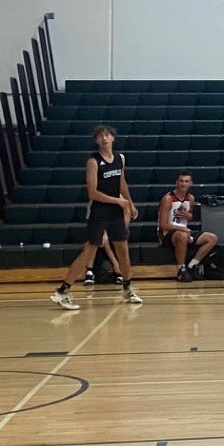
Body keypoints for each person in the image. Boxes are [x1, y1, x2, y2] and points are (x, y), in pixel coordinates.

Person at [51, 124, 143, 310]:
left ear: (113, 138)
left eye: (107, 135)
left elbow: (122, 183)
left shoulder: (120, 158)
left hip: (116, 213)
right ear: (96, 141)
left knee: (123, 251)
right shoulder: (93, 161)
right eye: (100, 136)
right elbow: (92, 193)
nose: (105, 138)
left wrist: (130, 203)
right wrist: (117, 201)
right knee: (88, 253)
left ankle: (127, 287)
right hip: (100, 211)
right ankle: (62, 291)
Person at [157, 171, 218, 283]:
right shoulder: (168, 199)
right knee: (182, 235)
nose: (183, 184)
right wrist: (182, 229)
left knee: (212, 238)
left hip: (183, 230)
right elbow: (163, 225)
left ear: (191, 183)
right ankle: (181, 268)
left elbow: (189, 216)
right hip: (167, 234)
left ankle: (192, 265)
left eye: (186, 181)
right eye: (181, 181)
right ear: (177, 182)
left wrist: (189, 216)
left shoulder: (190, 198)